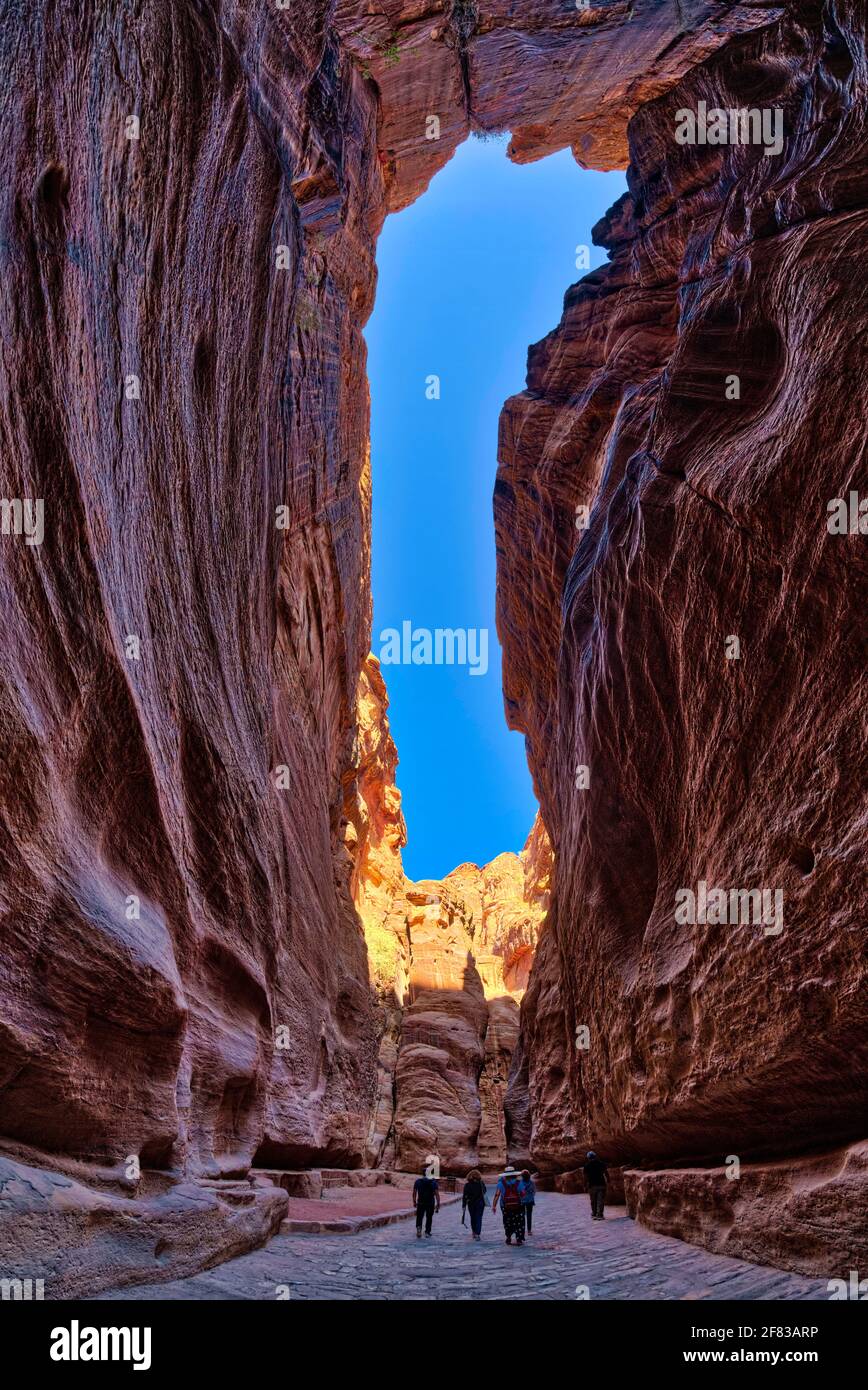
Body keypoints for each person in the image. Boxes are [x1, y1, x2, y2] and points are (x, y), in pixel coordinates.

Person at [492, 1164, 526, 1245]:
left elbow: (497, 1195)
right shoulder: (519, 1182)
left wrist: (494, 1205)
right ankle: (519, 1239)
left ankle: (508, 1237)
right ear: (514, 1174)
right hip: (518, 1205)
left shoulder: (501, 1183)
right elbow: (523, 1194)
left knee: (507, 1221)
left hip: (505, 1206)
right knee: (519, 1221)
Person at [413, 1169, 440, 1238]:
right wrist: (438, 1204)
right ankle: (427, 1232)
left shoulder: (418, 1181)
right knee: (429, 1217)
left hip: (420, 1202)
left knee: (419, 1217)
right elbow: (437, 1194)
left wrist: (414, 1201)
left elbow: (414, 1192)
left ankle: (419, 1229)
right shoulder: (434, 1182)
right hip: (430, 1203)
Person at [462, 1169, 487, 1240]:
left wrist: (463, 1205)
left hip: (471, 1203)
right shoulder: (481, 1183)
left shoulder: (467, 1185)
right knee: (479, 1218)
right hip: (480, 1203)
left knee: (473, 1218)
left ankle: (474, 1232)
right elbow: (484, 1191)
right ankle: (477, 1233)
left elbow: (465, 1196)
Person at [583, 1149, 608, 1221]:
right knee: (600, 1200)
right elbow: (606, 1173)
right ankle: (600, 1214)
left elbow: (585, 1177)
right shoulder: (601, 1164)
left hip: (592, 1186)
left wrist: (584, 1185)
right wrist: (609, 1181)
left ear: (588, 1158)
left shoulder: (586, 1166)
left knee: (593, 1200)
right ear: (595, 1156)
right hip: (601, 1184)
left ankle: (594, 1213)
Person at [520, 1169, 536, 1235]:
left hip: (522, 1201)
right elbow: (534, 1191)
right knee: (529, 1215)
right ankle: (529, 1231)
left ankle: (522, 1230)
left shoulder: (520, 1183)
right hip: (530, 1200)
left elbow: (519, 1192)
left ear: (522, 1176)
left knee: (522, 1216)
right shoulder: (532, 1183)